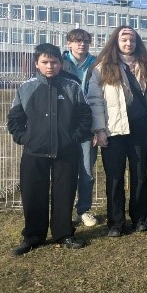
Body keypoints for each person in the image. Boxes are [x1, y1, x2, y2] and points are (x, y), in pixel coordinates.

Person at [7, 43, 92, 256]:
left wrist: (73, 138)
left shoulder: (72, 86)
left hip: (66, 152)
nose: (49, 66)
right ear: (36, 64)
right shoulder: (26, 88)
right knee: (33, 194)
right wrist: (25, 138)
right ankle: (33, 236)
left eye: (54, 62)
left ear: (61, 63)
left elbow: (85, 116)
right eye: (44, 62)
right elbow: (15, 119)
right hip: (34, 153)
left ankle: (64, 234)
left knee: (64, 193)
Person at [87, 26, 147, 238]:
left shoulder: (146, 66)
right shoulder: (102, 68)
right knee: (115, 177)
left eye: (132, 40)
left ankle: (140, 218)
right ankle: (116, 222)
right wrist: (99, 130)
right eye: (124, 40)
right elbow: (95, 100)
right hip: (114, 129)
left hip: (139, 128)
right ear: (115, 42)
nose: (129, 43)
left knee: (139, 174)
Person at [62, 29, 98, 228]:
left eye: (85, 41)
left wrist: (97, 128)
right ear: (69, 43)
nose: (82, 44)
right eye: (77, 41)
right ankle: (63, 211)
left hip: (88, 123)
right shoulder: (59, 63)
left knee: (86, 171)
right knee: (64, 171)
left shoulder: (96, 64)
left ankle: (83, 210)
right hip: (64, 124)